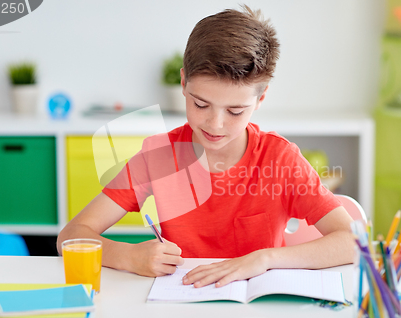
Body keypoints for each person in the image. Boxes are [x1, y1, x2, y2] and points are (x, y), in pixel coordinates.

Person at [57, 5, 355, 288]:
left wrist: (265, 258)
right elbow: (70, 237)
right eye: (201, 104)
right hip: (181, 302)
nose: (215, 124)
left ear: (260, 100)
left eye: (235, 111)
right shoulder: (158, 156)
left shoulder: (279, 159)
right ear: (184, 82)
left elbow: (351, 242)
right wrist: (129, 256)